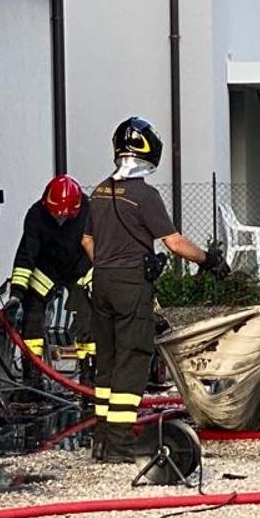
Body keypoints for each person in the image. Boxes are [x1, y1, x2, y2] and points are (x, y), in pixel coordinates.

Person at [82, 116, 229, 463]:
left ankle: (102, 440)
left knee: (107, 361)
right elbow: (175, 242)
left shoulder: (99, 191)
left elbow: (86, 240)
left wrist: (105, 261)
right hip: (130, 285)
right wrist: (209, 260)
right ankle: (119, 444)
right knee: (132, 361)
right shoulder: (144, 196)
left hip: (100, 282)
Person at [2, 175, 95, 391]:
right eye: (55, 214)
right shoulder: (36, 215)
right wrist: (16, 296)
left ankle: (89, 378)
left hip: (80, 268)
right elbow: (26, 256)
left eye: (65, 216)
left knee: (88, 320)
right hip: (47, 268)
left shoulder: (90, 211)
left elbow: (98, 248)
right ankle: (32, 378)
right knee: (32, 314)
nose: (59, 219)